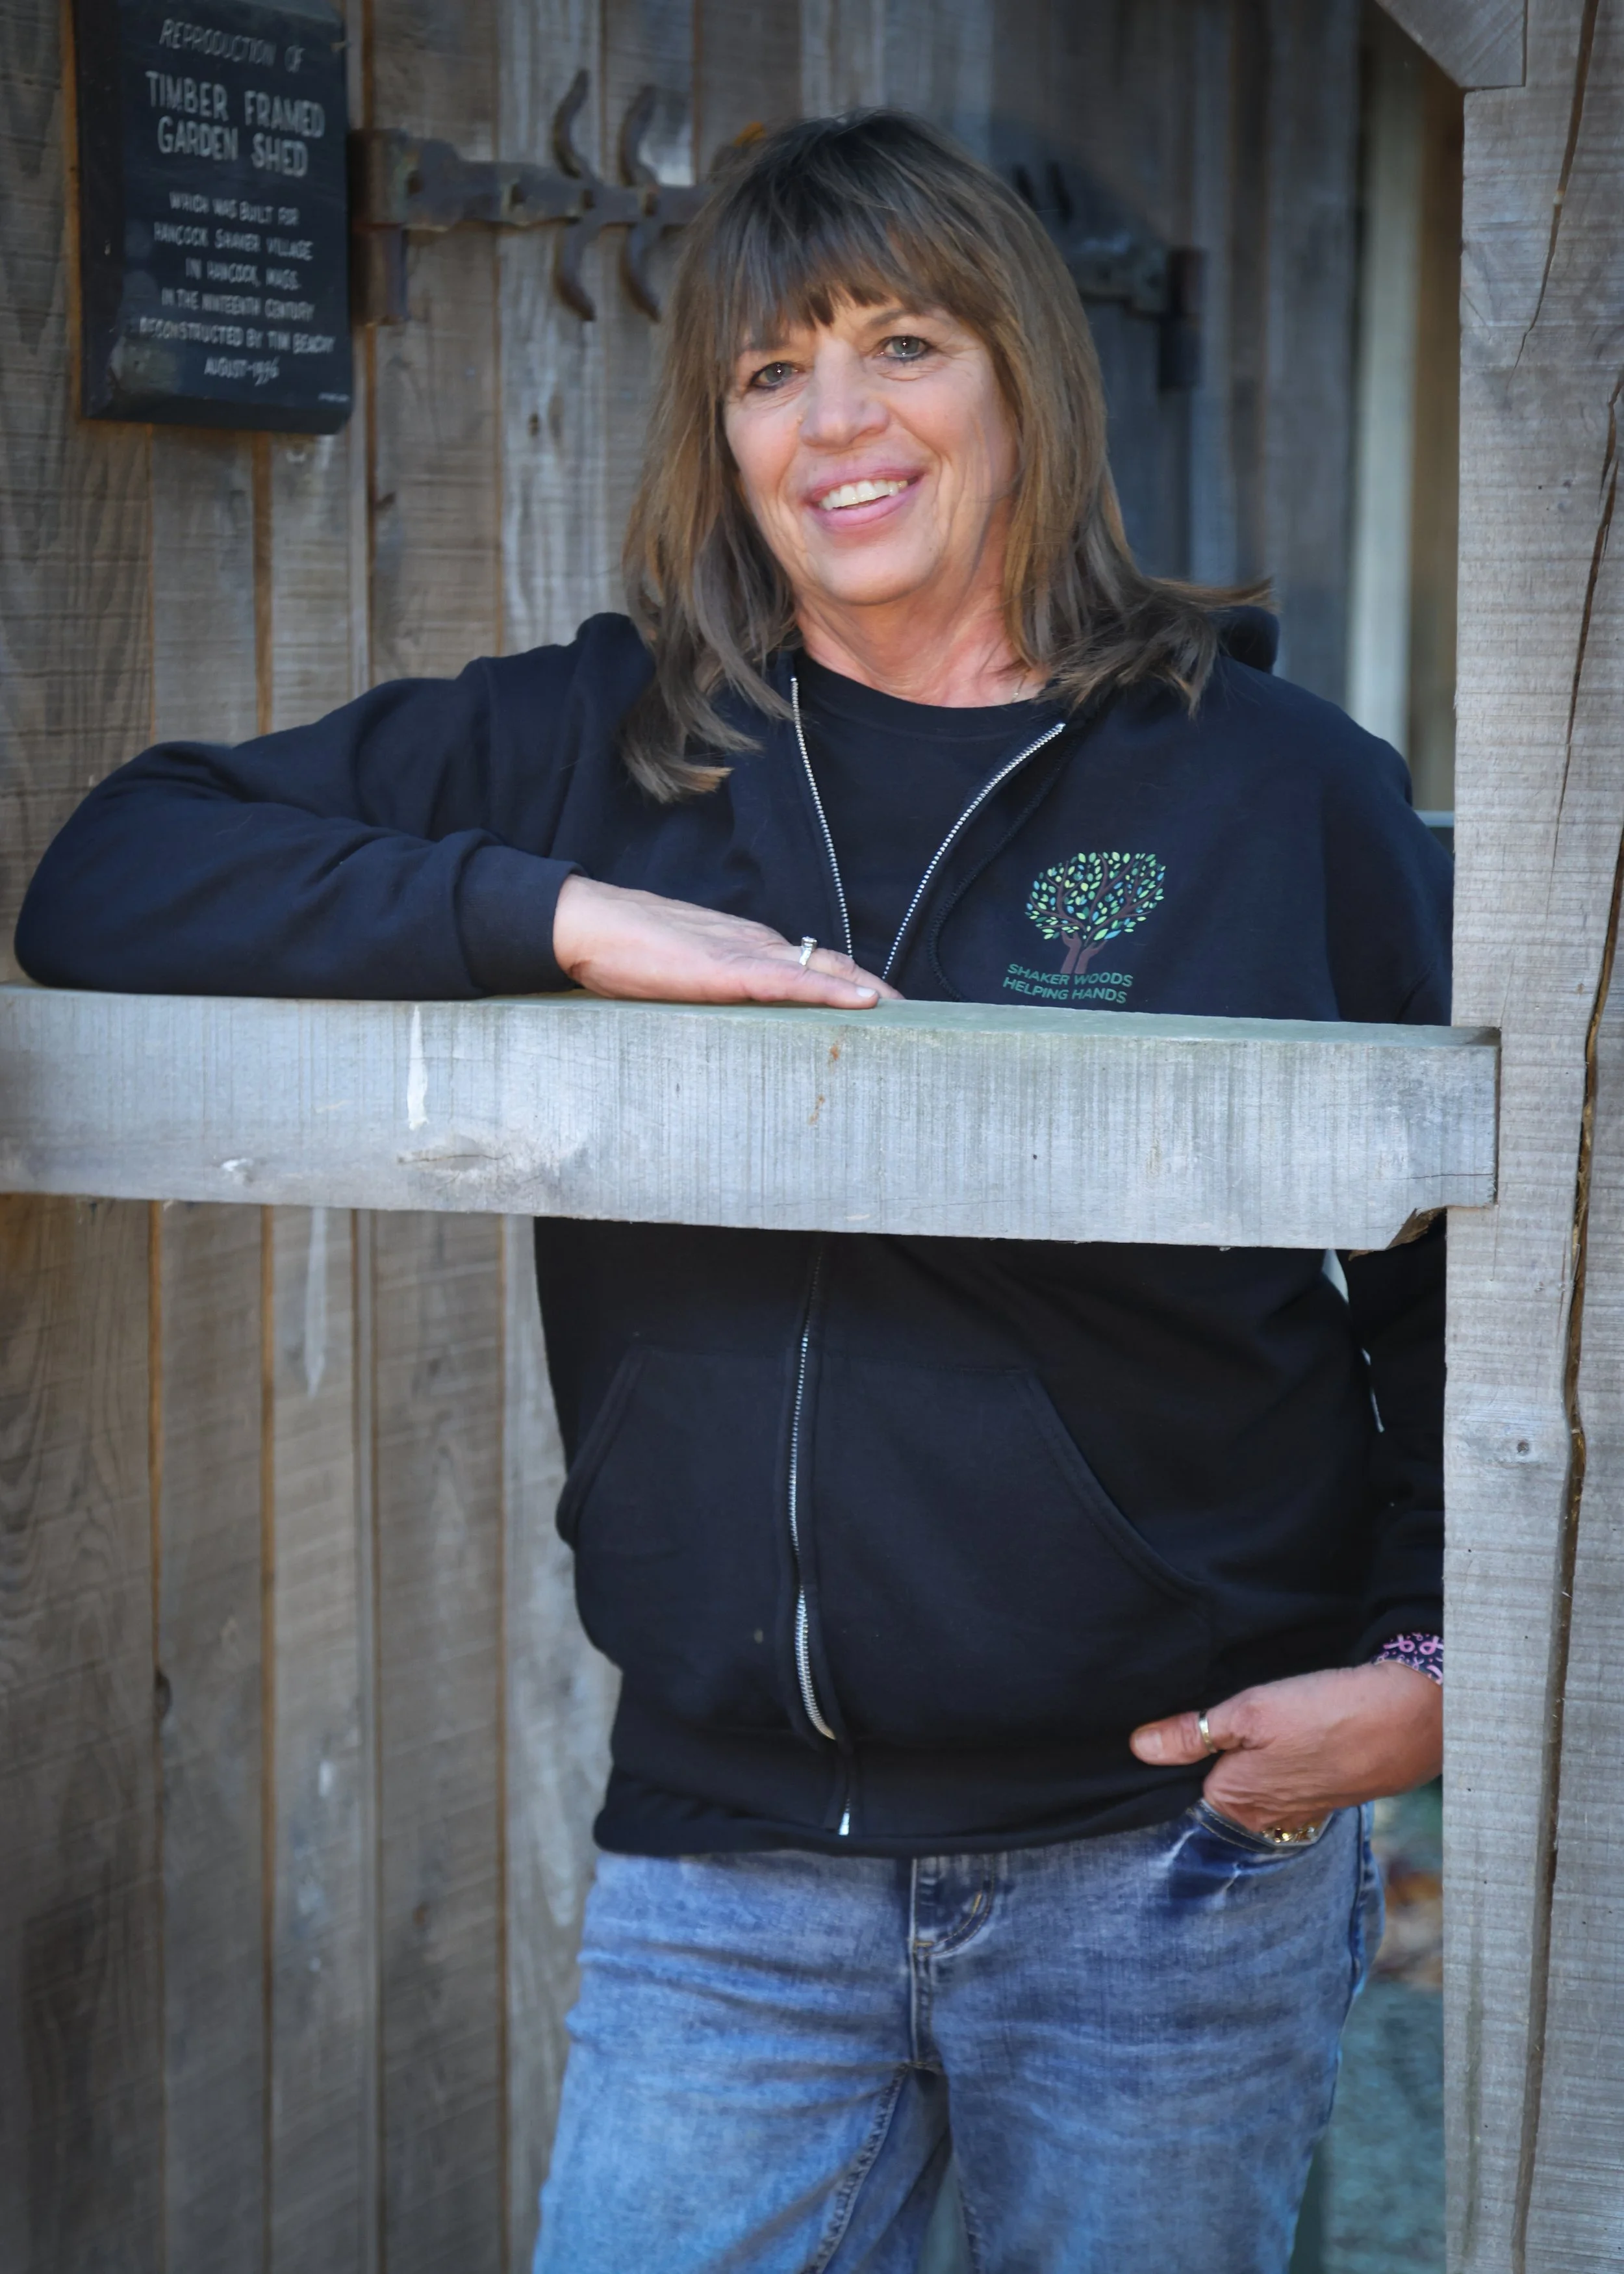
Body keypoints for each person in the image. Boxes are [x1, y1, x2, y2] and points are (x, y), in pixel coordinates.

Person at [19, 110, 1447, 2274]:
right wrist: (560, 912)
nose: (837, 421)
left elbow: (1481, 1273)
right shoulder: (612, 741)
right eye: (771, 370)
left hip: (1166, 1847)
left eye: (901, 343)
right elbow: (109, 868)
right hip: (727, 1867)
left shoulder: (1272, 787)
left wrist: (1428, 1664)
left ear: (1024, 380)